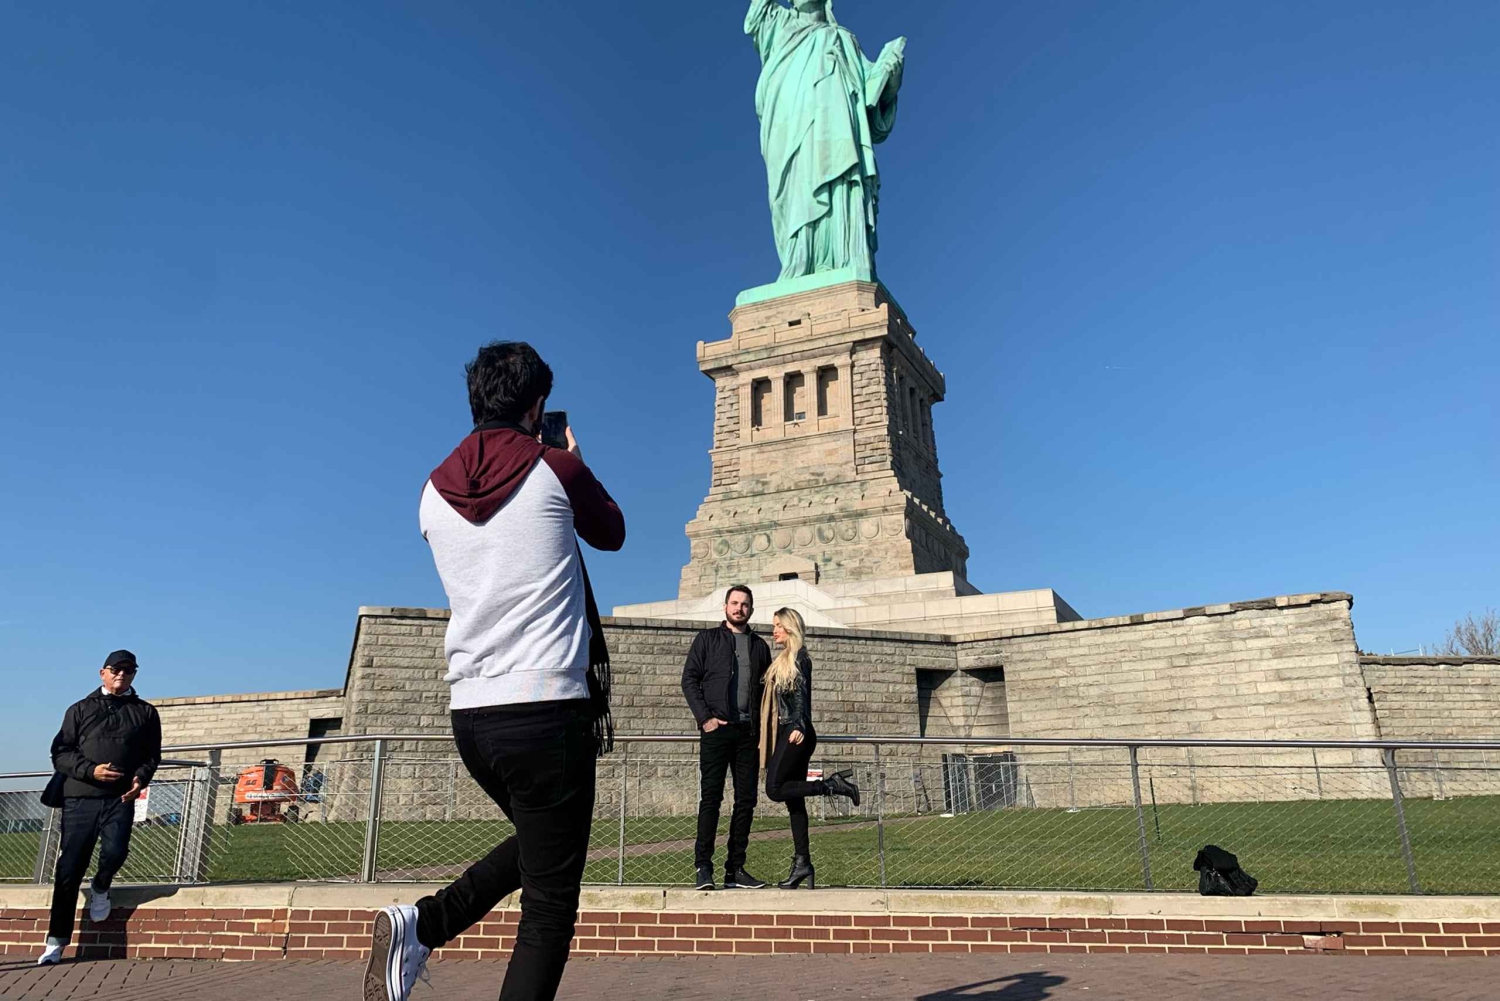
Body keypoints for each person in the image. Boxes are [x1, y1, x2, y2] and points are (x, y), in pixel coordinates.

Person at [365, 341, 625, 1001]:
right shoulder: (556, 467)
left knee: (544, 850)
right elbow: (613, 531)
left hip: (473, 714)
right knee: (549, 903)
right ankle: (422, 921)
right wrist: (575, 460)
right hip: (548, 705)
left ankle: (421, 923)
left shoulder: (430, 492)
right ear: (537, 404)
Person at [39, 650, 161, 966]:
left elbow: (151, 755)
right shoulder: (79, 710)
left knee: (116, 851)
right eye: (116, 670)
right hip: (80, 798)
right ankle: (56, 941)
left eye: (129, 671)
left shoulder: (146, 713)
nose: (122, 674)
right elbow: (61, 753)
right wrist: (90, 770)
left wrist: (140, 779)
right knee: (69, 870)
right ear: (102, 673)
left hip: (120, 798)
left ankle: (101, 884)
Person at [759, 608, 859, 889]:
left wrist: (799, 726)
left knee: (774, 789)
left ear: (790, 628)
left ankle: (831, 785)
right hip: (789, 731)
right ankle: (803, 864)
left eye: (778, 625)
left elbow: (803, 696)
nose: (774, 631)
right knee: (794, 802)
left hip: (796, 732)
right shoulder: (783, 660)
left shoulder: (801, 658)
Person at [681, 585, 772, 890]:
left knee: (746, 801)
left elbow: (766, 692)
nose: (739, 608)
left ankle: (736, 870)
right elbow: (689, 680)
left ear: (751, 610)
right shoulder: (707, 639)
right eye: (734, 603)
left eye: (745, 604)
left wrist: (764, 732)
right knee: (711, 799)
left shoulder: (760, 646)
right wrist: (705, 718)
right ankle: (702, 867)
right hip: (716, 731)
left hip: (748, 734)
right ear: (725, 607)